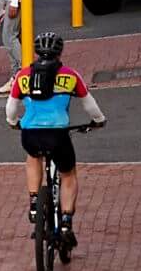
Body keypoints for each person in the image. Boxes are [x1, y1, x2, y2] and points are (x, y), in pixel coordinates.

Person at [6, 32, 106, 253]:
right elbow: (90, 106)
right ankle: (67, 221)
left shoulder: (23, 76)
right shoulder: (71, 76)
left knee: (33, 157)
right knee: (68, 174)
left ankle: (34, 202)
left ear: (35, 52)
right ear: (60, 52)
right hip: (58, 135)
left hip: (30, 134)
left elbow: (11, 109)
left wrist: (13, 122)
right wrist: (99, 121)